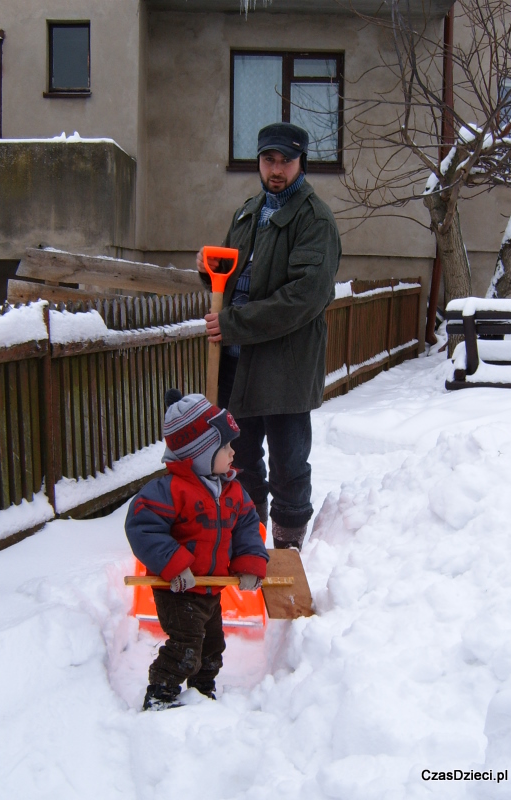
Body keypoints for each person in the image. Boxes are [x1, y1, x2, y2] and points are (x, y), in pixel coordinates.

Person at [196, 122, 341, 552]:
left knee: (288, 465)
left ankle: (288, 551)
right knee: (239, 461)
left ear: (301, 163)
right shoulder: (246, 213)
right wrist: (208, 273)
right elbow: (230, 276)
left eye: (286, 161)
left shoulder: (314, 220)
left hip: (286, 367)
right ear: (258, 161)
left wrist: (236, 325)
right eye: (269, 160)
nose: (276, 169)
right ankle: (251, 544)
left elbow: (305, 297)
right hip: (238, 365)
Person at [125, 389, 269, 711]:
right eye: (225, 446)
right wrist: (175, 565)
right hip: (178, 590)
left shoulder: (232, 491)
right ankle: (160, 695)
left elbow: (247, 525)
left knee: (212, 647)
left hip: (210, 589)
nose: (233, 452)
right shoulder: (169, 491)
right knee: (187, 647)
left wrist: (248, 564)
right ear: (200, 453)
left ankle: (203, 694)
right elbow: (142, 527)